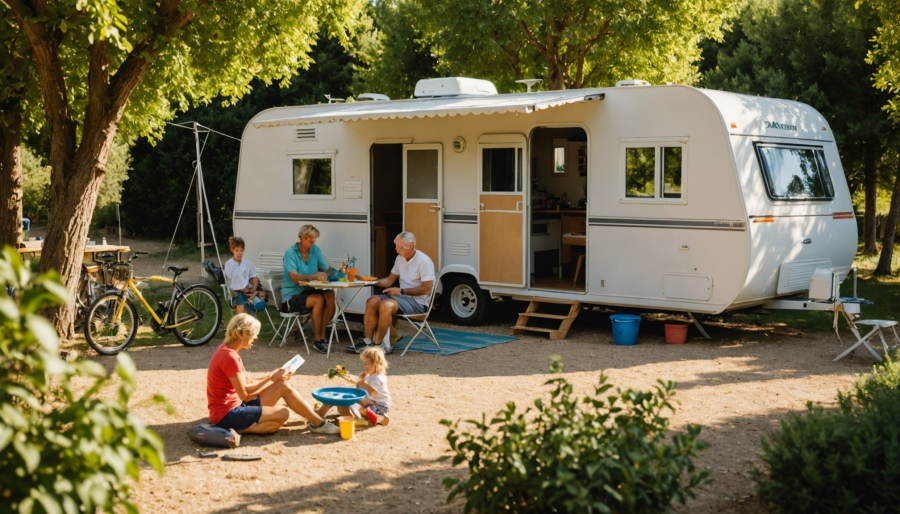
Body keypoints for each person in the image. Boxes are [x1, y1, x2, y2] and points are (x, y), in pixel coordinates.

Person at [207, 313, 340, 435]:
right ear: (242, 333)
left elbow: (247, 383)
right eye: (254, 334)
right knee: (282, 414)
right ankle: (241, 429)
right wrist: (272, 378)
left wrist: (274, 376)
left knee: (282, 385)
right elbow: (245, 395)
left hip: (234, 406)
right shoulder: (230, 357)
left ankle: (317, 420)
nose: (256, 337)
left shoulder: (227, 351)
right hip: (227, 414)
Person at [359, 231, 435, 355]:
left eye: (400, 247)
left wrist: (401, 291)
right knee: (372, 300)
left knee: (386, 305)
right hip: (403, 298)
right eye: (396, 247)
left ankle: (380, 345)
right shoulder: (400, 258)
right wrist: (370, 281)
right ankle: (367, 342)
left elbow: (427, 289)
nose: (396, 250)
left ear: (411, 245)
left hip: (418, 303)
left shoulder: (424, 261)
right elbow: (389, 280)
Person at [282, 225, 336, 354]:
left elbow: (326, 268)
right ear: (302, 237)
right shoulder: (291, 252)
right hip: (292, 294)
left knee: (329, 294)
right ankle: (317, 340)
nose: (313, 241)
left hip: (308, 290)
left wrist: (333, 273)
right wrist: (315, 275)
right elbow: (294, 278)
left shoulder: (315, 251)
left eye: (315, 239)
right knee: (318, 299)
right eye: (310, 238)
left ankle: (322, 336)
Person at [318, 346, 391, 426]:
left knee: (356, 408)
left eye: (368, 364)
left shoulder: (377, 377)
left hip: (380, 406)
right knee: (353, 402)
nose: (365, 367)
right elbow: (362, 385)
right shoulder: (371, 374)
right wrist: (355, 379)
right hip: (371, 401)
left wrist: (360, 382)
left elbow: (372, 392)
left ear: (377, 364)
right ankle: (359, 416)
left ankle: (374, 419)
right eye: (364, 364)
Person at [224, 236, 265, 315]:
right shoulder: (229, 264)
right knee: (242, 306)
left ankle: (250, 316)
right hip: (235, 292)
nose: (239, 253)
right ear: (232, 250)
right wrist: (243, 290)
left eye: (241, 250)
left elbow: (254, 277)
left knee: (260, 305)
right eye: (236, 250)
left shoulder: (248, 263)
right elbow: (230, 284)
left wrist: (253, 289)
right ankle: (244, 321)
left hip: (247, 291)